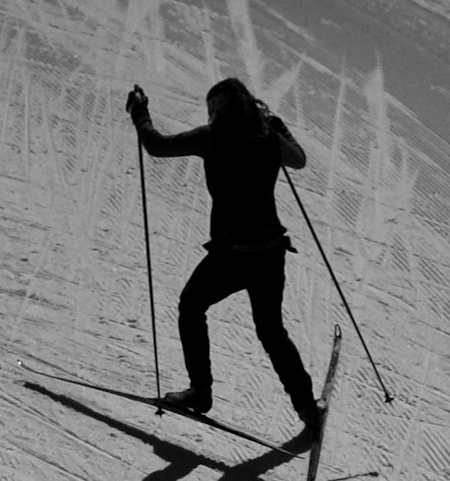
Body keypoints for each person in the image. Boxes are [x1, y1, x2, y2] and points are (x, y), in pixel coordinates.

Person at [126, 77, 321, 439]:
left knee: (191, 306)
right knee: (271, 330)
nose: (212, 113)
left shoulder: (211, 137)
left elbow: (156, 146)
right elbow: (300, 160)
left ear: (224, 108)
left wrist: (140, 113)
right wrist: (279, 127)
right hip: (269, 252)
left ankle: (201, 392)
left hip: (232, 254)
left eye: (215, 107)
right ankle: (308, 409)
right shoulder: (268, 139)